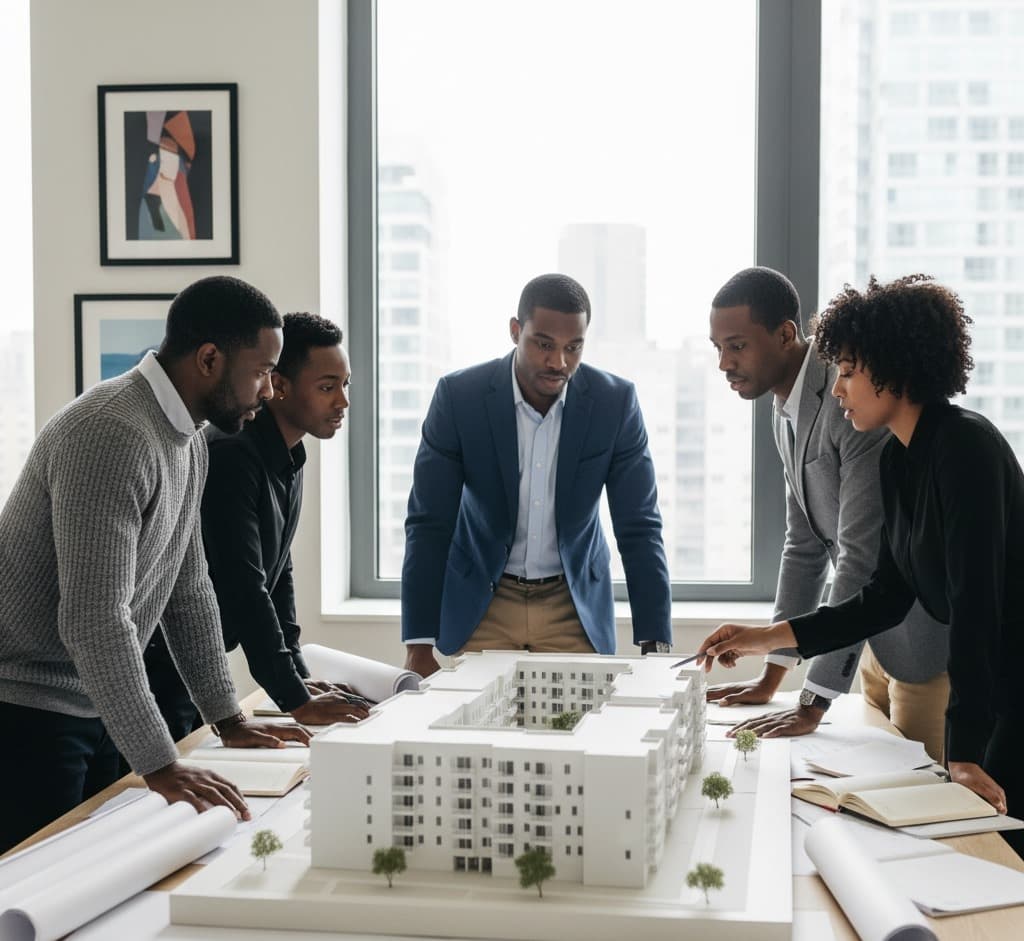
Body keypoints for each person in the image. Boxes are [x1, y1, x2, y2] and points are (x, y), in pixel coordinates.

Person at [697, 273, 1024, 857]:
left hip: (1007, 690)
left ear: (894, 369)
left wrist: (966, 750)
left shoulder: (966, 448)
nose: (839, 387)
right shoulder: (901, 458)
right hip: (988, 686)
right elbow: (883, 596)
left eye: (848, 371)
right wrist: (765, 640)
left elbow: (978, 607)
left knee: (998, 860)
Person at [0, 276, 310, 854]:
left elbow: (187, 588)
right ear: (210, 359)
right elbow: (94, 620)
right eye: (262, 370)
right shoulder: (111, 432)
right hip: (29, 710)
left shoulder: (188, 437)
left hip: (93, 702)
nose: (269, 390)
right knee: (36, 896)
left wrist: (227, 717)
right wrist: (161, 762)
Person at [706, 268, 949, 759]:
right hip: (869, 647)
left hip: (925, 649)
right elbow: (805, 546)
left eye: (736, 346)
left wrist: (812, 704)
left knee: (928, 816)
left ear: (785, 334)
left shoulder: (853, 398)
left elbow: (859, 557)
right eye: (718, 348)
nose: (724, 363)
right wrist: (773, 674)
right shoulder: (784, 412)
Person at [402, 273, 672, 678]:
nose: (558, 362)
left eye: (573, 348)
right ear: (515, 331)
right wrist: (418, 642)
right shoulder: (460, 398)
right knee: (473, 733)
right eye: (544, 344)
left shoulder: (615, 403)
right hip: (485, 602)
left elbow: (639, 527)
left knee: (579, 733)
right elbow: (429, 523)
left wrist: (655, 644)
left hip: (572, 604)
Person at [142, 312, 369, 736]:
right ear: (279, 386)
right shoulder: (233, 453)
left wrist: (297, 677)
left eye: (345, 384)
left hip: (197, 663)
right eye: (327, 387)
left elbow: (276, 572)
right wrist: (295, 699)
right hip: (163, 660)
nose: (343, 401)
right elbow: (243, 586)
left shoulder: (289, 456)